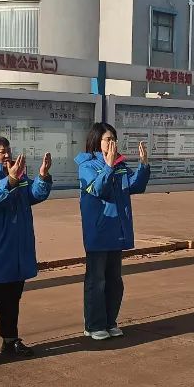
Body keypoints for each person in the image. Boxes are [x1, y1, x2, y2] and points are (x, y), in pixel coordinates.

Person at [0, 136, 53, 365]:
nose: (6, 155)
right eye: (0, 151)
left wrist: (43, 176)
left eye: (7, 150)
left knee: (11, 298)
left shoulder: (17, 173)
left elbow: (34, 195)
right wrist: (11, 180)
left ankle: (10, 339)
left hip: (16, 247)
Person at [74, 123, 150, 341]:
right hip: (99, 232)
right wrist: (108, 166)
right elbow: (98, 189)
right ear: (97, 141)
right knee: (96, 281)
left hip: (117, 231)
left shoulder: (120, 165)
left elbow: (135, 186)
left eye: (114, 139)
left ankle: (110, 322)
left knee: (114, 281)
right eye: (108, 139)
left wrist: (144, 165)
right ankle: (94, 325)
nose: (112, 143)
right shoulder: (87, 165)